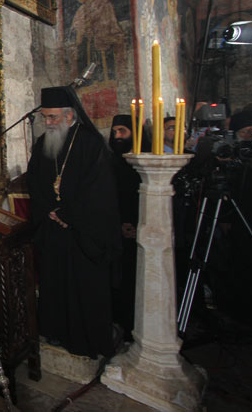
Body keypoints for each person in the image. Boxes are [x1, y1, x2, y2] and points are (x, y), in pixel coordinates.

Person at [27, 86, 120, 359]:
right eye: (45, 117)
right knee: (55, 286)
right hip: (54, 231)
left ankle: (85, 342)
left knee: (84, 290)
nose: (48, 123)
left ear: (70, 116)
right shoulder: (43, 144)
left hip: (82, 234)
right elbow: (35, 181)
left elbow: (99, 191)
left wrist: (69, 215)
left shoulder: (91, 144)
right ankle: (56, 333)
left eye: (53, 117)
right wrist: (50, 210)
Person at [108, 114, 140, 341]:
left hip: (139, 228)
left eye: (123, 131)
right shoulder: (109, 161)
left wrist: (136, 223)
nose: (117, 136)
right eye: (115, 132)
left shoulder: (144, 160)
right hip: (115, 229)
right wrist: (118, 224)